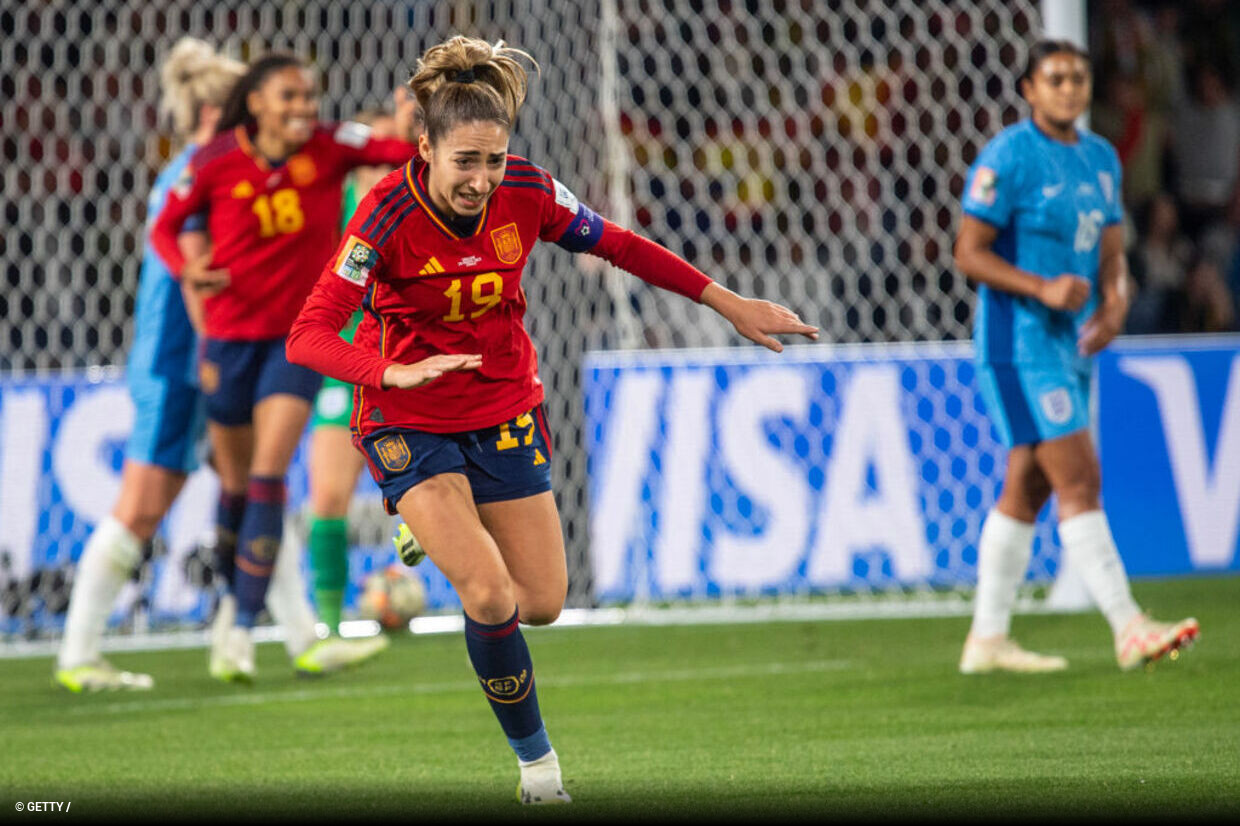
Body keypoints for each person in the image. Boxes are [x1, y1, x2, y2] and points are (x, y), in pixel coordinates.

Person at [286, 36, 818, 804]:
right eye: (464, 161)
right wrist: (388, 369)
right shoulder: (383, 216)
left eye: (493, 161)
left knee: (541, 604)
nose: (480, 179)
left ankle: (433, 523)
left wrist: (727, 302)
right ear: (425, 146)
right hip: (406, 417)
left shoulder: (531, 191)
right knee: (491, 595)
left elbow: (621, 245)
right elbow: (309, 333)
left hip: (501, 405)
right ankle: (539, 770)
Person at [149, 53, 420, 682]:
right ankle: (227, 617)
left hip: (296, 341)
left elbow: (392, 149)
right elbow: (166, 225)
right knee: (237, 489)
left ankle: (242, 633)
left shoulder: (330, 146)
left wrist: (410, 132)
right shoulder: (214, 161)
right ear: (256, 103)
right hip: (226, 340)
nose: (305, 107)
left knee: (270, 476)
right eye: (290, 96)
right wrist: (185, 268)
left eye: (309, 95)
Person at [954, 40, 1199, 675]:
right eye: (1055, 78)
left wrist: (1116, 303)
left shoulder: (1101, 159)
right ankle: (1128, 626)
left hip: (1069, 344)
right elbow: (968, 253)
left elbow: (1113, 252)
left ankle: (987, 640)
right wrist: (1042, 288)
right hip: (1018, 344)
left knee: (1027, 486)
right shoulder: (1009, 156)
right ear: (1029, 90)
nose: (1069, 88)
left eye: (1079, 78)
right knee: (1079, 476)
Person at [53, 38, 245, 693]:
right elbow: (197, 279)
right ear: (214, 113)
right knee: (141, 507)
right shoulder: (200, 175)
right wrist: (221, 355)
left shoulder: (194, 172)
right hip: (182, 364)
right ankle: (77, 654)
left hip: (191, 359)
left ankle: (286, 636)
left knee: (257, 482)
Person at [306, 106, 406, 634]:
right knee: (327, 498)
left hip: (407, 365)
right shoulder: (336, 205)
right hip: (343, 371)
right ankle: (327, 624)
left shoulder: (417, 204)